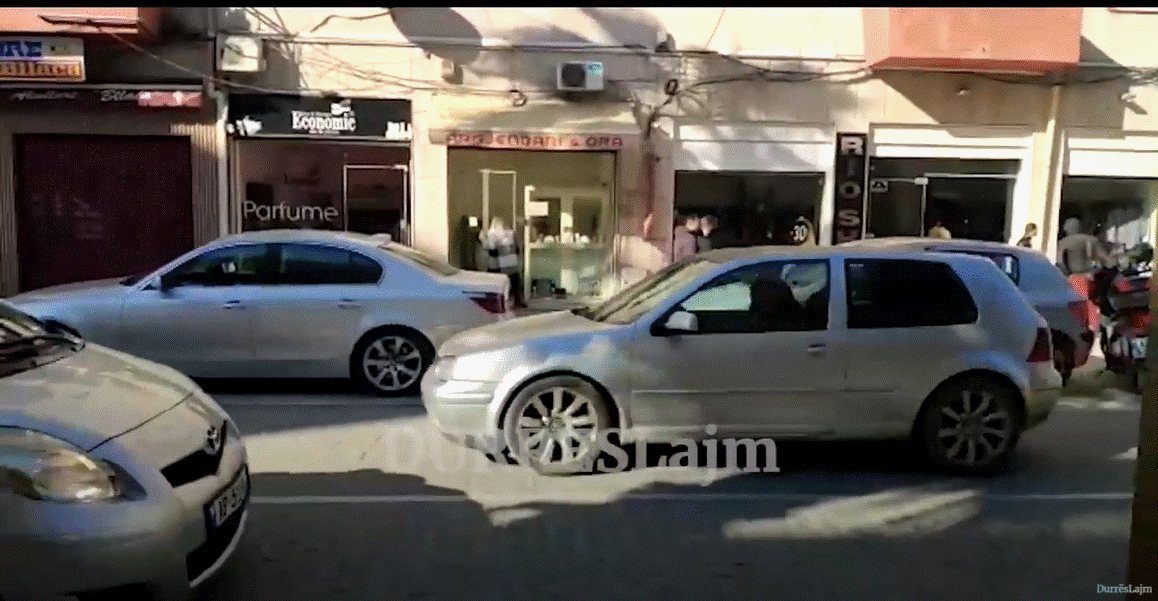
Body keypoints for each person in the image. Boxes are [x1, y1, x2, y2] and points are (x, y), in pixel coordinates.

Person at [480, 216, 525, 308]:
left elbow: (491, 250)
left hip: (498, 264)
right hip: (507, 262)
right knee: (514, 281)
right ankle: (517, 301)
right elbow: (517, 248)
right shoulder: (509, 233)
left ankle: (499, 302)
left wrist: (484, 241)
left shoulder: (491, 234)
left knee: (496, 283)